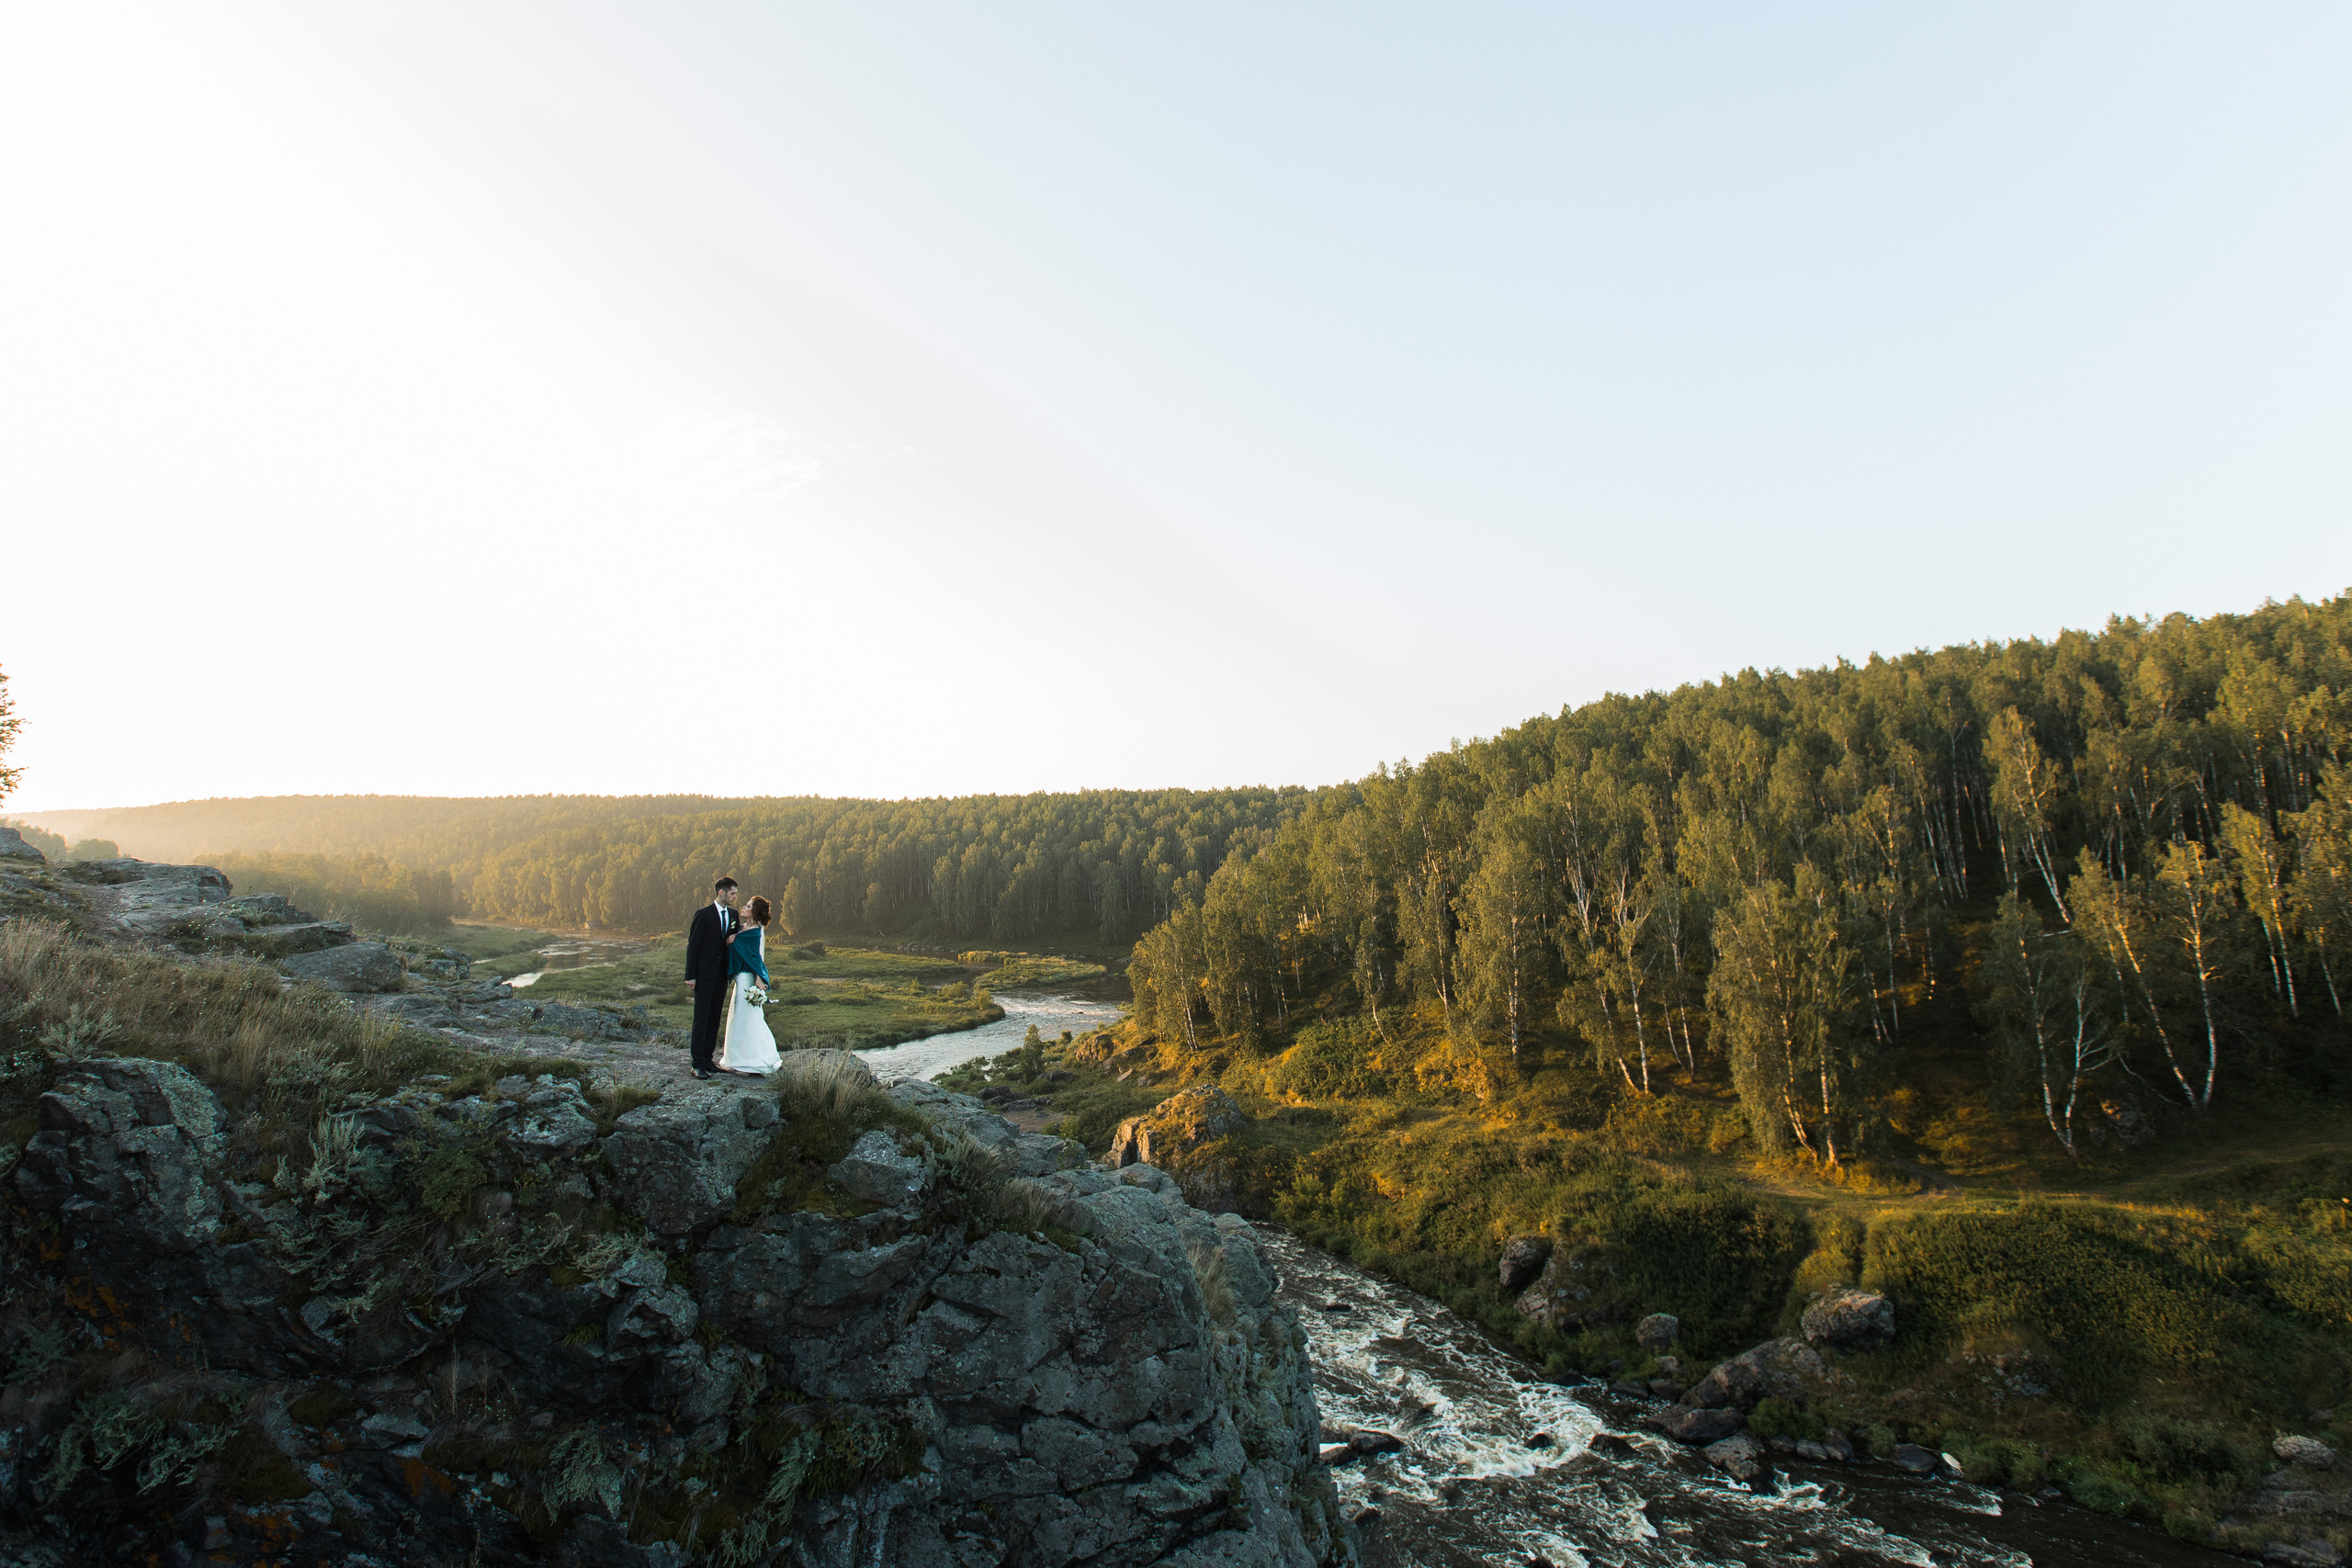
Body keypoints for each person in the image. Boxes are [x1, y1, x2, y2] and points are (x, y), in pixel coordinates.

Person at [684, 876, 740, 1079]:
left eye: (736, 894)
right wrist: (691, 976)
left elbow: (732, 943)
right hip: (704, 975)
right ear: (721, 892)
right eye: (732, 893)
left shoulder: (733, 915)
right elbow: (693, 946)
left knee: (715, 1017)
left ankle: (708, 1060)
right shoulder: (703, 914)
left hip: (721, 975)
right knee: (701, 1018)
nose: (735, 897)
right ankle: (697, 1064)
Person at [719, 896, 781, 1075]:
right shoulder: (742, 928)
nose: (744, 907)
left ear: (754, 912)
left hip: (747, 978)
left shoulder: (756, 931)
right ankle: (738, 1059)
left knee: (746, 1017)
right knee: (738, 1016)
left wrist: (759, 978)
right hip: (740, 977)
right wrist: (728, 941)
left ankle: (750, 1062)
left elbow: (756, 956)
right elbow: (736, 949)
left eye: (748, 906)